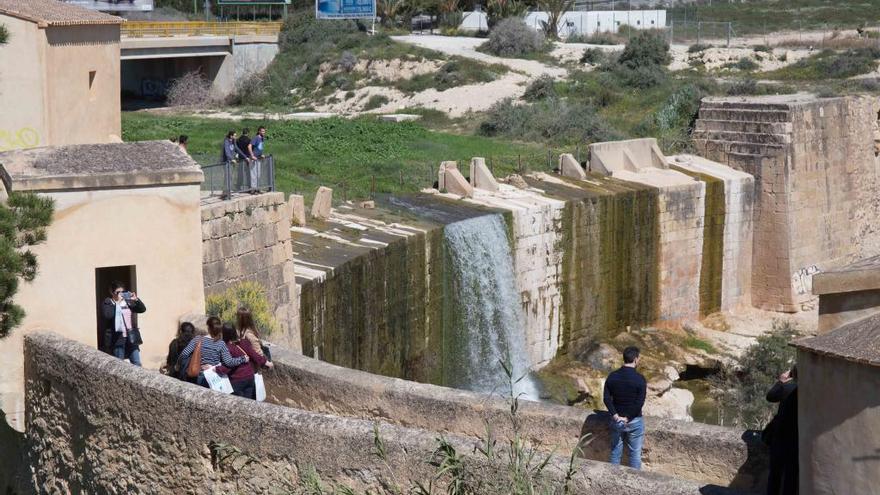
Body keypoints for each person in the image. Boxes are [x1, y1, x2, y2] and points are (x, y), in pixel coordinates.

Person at [603, 346, 647, 469]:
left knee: (615, 450)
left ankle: (612, 477)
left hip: (616, 420)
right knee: (635, 454)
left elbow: (606, 399)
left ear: (624, 359)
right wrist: (627, 418)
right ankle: (634, 480)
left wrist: (616, 416)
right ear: (636, 359)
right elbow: (639, 403)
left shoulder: (612, 376)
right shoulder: (640, 379)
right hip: (634, 421)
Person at [179, 316, 248, 388]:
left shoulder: (197, 339)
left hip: (199, 376)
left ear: (208, 328)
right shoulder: (221, 344)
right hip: (214, 377)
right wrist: (243, 359)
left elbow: (184, 354)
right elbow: (229, 362)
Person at [765, 366, 798, 495]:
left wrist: (781, 381)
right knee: (791, 477)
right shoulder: (808, 389)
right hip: (797, 440)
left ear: (793, 374)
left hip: (781, 437)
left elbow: (770, 396)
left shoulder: (787, 388)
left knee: (775, 474)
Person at [101, 281, 147, 366]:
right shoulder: (108, 303)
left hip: (131, 337)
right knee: (120, 365)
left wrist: (136, 300)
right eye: (118, 292)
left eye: (122, 292)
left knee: (137, 363)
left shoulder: (127, 302)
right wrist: (117, 304)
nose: (120, 294)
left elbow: (142, 309)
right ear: (112, 292)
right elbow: (108, 315)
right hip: (117, 339)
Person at [216, 323, 266, 399]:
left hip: (237, 379)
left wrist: (217, 369)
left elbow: (229, 365)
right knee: (248, 403)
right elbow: (254, 354)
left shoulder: (226, 347)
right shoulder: (244, 342)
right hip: (250, 377)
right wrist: (265, 362)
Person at [250, 126, 266, 192]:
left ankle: (257, 188)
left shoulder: (262, 138)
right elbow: (249, 146)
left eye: (264, 131)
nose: (263, 132)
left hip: (258, 158)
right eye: (262, 131)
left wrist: (261, 154)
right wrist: (252, 155)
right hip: (254, 159)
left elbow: (259, 148)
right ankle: (253, 189)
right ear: (259, 131)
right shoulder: (256, 138)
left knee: (258, 174)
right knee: (254, 174)